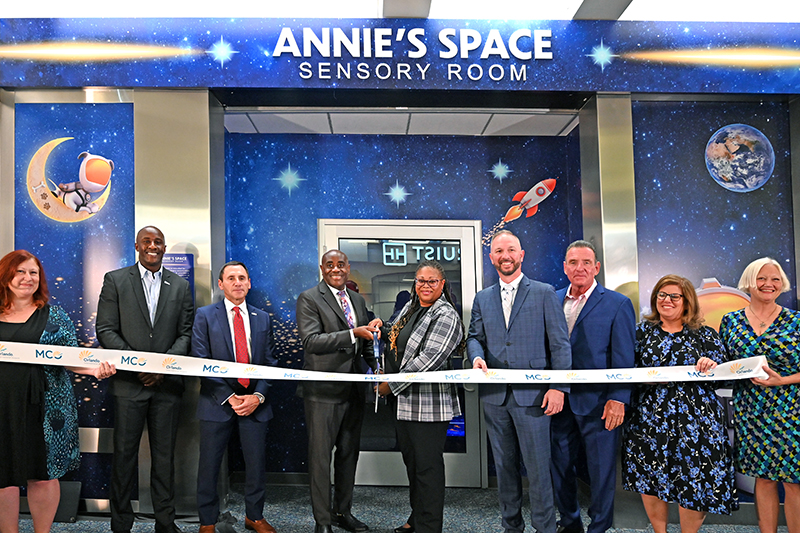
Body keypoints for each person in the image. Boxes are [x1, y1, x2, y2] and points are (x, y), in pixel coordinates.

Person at [0, 250, 115, 533]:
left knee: (44, 475)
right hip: (3, 406)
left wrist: (94, 370)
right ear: (5, 276)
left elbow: (72, 359)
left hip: (45, 408)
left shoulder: (55, 316)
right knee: (3, 476)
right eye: (20, 271)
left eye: (34, 273)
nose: (28, 278)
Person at [467, 230, 572, 533]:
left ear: (521, 255)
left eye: (511, 250)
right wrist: (476, 357)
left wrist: (558, 387)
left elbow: (560, 345)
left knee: (538, 470)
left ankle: (544, 528)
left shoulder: (544, 292)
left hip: (535, 397)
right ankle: (511, 527)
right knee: (504, 468)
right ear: (492, 258)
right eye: (499, 251)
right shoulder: (482, 298)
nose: (506, 256)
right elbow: (474, 338)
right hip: (495, 398)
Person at [96, 226, 194, 533]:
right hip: (129, 384)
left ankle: (165, 523)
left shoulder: (180, 285)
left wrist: (161, 368)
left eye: (158, 242)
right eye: (147, 241)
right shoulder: (115, 280)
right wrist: (137, 365)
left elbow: (186, 334)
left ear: (164, 248)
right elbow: (106, 329)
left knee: (164, 459)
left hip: (166, 386)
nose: (153, 246)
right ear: (137, 246)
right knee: (124, 459)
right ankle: (121, 524)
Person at [622, 274, 737, 533]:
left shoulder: (705, 335)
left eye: (675, 296)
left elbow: (722, 379)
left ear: (687, 301)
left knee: (695, 482)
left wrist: (712, 366)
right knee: (651, 479)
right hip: (649, 422)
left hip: (697, 425)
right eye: (662, 295)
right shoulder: (640, 334)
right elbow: (625, 371)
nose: (667, 300)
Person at [372, 260, 465, 533]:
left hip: (429, 406)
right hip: (404, 405)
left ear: (442, 284)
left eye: (431, 281)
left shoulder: (446, 315)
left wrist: (391, 385)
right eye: (420, 280)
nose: (425, 285)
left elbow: (429, 358)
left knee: (428, 469)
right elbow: (396, 333)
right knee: (413, 466)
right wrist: (382, 325)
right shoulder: (411, 307)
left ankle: (429, 527)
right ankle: (417, 519)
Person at [551, 240, 636, 533]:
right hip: (558, 401)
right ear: (565, 267)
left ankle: (599, 527)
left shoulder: (617, 303)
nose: (580, 268)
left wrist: (619, 398)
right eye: (573, 262)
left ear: (596, 267)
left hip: (600, 403)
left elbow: (624, 356)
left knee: (601, 472)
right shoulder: (551, 299)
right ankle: (570, 523)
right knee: (560, 467)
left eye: (586, 262)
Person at [296, 249, 378, 533]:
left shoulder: (357, 299)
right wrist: (353, 333)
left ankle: (343, 512)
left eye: (340, 264)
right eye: (329, 265)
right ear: (322, 269)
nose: (335, 269)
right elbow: (311, 341)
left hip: (354, 390)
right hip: (323, 392)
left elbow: (366, 344)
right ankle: (323, 521)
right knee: (320, 459)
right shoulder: (309, 298)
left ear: (348, 267)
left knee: (348, 454)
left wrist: (377, 367)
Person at [192, 261, 278, 533]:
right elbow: (201, 361)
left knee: (256, 464)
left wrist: (258, 396)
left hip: (255, 403)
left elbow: (270, 363)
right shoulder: (205, 315)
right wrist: (228, 396)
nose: (237, 282)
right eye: (231, 278)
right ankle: (207, 521)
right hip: (216, 402)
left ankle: (255, 516)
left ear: (249, 283)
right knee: (209, 465)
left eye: (242, 277)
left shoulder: (262, 318)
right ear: (221, 284)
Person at [719, 257, 800, 533]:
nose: (768, 284)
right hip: (751, 411)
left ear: (782, 284)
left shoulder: (796, 321)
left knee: (794, 481)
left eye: (775, 279)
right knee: (763, 479)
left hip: (791, 411)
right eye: (761, 278)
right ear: (749, 282)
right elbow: (724, 364)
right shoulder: (731, 321)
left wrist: (783, 380)